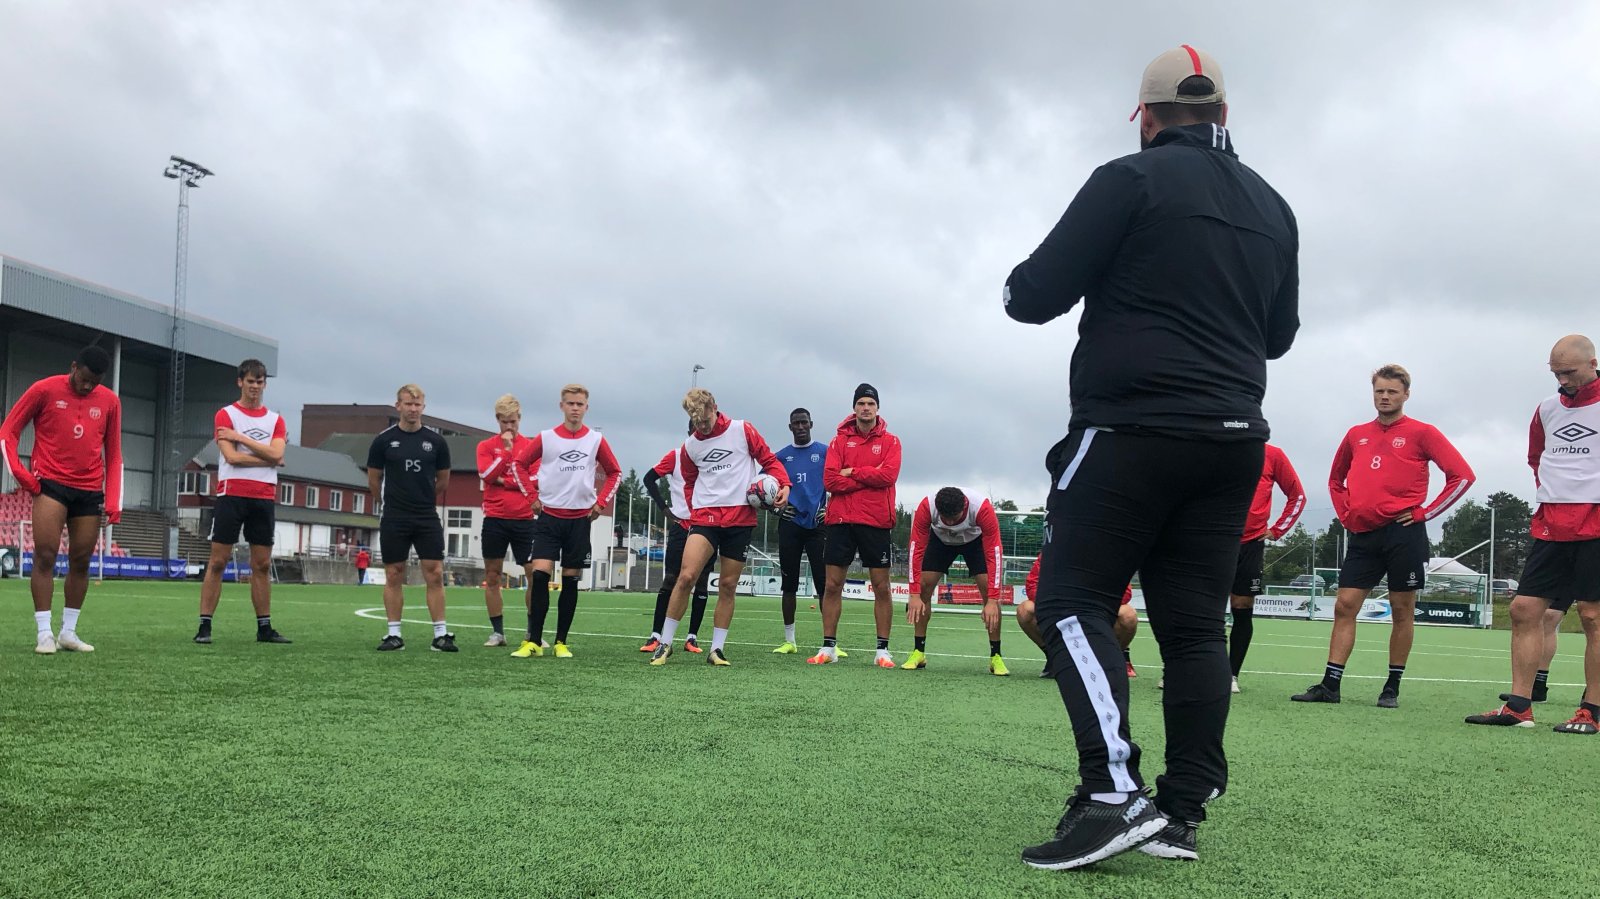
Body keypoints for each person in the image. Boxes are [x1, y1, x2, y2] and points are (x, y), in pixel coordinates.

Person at [1004, 45, 1299, 867]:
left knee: (1068, 600)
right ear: (1224, 115)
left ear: (1146, 119)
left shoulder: (1127, 180)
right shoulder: (1275, 207)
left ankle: (1112, 792)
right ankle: (1180, 811)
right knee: (1196, 628)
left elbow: (1031, 296)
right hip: (1234, 439)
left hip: (1131, 430)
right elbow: (1278, 335)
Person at [1293, 364, 1474, 709]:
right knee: (1345, 605)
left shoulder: (1423, 432)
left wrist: (1425, 512)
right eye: (1379, 391)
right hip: (1363, 534)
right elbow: (1335, 480)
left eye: (1392, 391)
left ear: (1406, 394)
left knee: (1401, 609)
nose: (1385, 397)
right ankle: (1330, 685)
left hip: (1404, 534)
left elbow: (1462, 476)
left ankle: (1391, 687)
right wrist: (1346, 513)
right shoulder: (1356, 434)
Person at [1467, 335, 1600, 734]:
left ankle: (1591, 712)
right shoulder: (1546, 409)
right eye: (1556, 373)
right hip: (1551, 523)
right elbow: (1535, 457)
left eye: (1569, 372)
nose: (1563, 380)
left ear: (1593, 364)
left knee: (1592, 616)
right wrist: (1554, 493)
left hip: (1596, 522)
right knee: (1524, 609)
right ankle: (1519, 707)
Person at [649, 389, 789, 666]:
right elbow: (689, 482)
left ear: (715, 408)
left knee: (727, 585)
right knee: (686, 577)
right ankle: (664, 643)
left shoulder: (742, 430)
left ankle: (716, 649)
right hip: (705, 518)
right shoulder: (691, 446)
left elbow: (769, 461)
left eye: (705, 420)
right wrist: (694, 509)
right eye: (696, 422)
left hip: (740, 519)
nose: (702, 426)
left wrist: (785, 485)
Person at [1, 346, 122, 654]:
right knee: (45, 555)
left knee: (81, 560)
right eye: (84, 379)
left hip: (89, 489)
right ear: (73, 367)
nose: (87, 386)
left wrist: (113, 498)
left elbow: (114, 452)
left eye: (94, 383)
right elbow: (7, 432)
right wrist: (23, 476)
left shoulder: (110, 401)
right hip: (51, 485)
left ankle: (68, 632)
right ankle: (44, 633)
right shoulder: (43, 390)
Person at [509, 385, 620, 659]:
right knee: (540, 574)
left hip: (579, 520)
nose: (575, 408)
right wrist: (532, 497)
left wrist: (600, 503)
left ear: (586, 408)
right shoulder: (547, 438)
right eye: (570, 403)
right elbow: (518, 465)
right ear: (562, 406)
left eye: (579, 404)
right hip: (549, 518)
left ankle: (561, 642)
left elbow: (615, 472)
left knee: (570, 580)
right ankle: (534, 641)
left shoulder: (595, 440)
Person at [195, 358, 291, 645]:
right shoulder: (225, 414)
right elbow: (232, 458)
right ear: (240, 382)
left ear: (265, 385)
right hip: (231, 495)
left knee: (261, 564)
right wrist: (268, 457)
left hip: (263, 497)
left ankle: (264, 628)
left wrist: (240, 438)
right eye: (250, 381)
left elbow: (275, 454)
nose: (255, 387)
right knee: (218, 561)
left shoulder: (275, 420)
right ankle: (204, 626)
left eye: (260, 382)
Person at [808, 384, 901, 667]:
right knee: (832, 585)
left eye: (870, 403)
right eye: (861, 403)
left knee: (881, 586)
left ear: (877, 408)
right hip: (840, 521)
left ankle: (882, 651)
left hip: (875, 521)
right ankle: (829, 647)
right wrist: (867, 477)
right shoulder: (838, 442)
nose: (865, 408)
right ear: (854, 408)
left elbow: (888, 476)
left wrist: (852, 473)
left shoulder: (891, 442)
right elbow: (830, 481)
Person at [366, 384, 454, 652]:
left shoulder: (436, 442)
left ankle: (440, 634)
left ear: (423, 407)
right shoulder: (383, 441)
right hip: (394, 516)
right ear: (398, 406)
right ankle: (394, 634)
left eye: (417, 405)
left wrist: (423, 498)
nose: (413, 409)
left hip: (426, 516)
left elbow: (443, 481)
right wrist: (388, 503)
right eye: (408, 404)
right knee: (394, 573)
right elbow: (374, 479)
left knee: (435, 573)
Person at [903, 487, 1008, 675]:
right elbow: (915, 549)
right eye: (946, 519)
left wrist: (993, 600)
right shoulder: (927, 507)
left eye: (955, 518)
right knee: (923, 586)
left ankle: (996, 656)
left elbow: (995, 554)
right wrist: (914, 594)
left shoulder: (982, 508)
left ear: (964, 506)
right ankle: (918, 652)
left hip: (975, 541)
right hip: (940, 541)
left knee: (988, 589)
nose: (951, 523)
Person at [1226, 444, 1304, 691]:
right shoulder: (1214, 445)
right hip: (1213, 539)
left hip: (1251, 543)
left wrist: (1277, 530)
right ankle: (1182, 670)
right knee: (1203, 607)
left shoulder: (1273, 454)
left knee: (1242, 606)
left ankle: (1230, 675)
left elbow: (1297, 496)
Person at [641, 427, 715, 654]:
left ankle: (692, 638)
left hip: (707, 526)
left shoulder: (715, 457)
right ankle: (656, 635)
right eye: (696, 427)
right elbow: (649, 478)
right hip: (681, 527)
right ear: (690, 431)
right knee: (671, 580)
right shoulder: (675, 456)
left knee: (701, 581)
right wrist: (664, 508)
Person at [476, 394, 539, 647]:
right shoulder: (486, 446)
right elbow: (487, 475)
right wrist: (505, 453)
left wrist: (506, 481)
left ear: (519, 418)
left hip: (525, 519)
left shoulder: (532, 446)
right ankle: (498, 633)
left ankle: (532, 633)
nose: (509, 427)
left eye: (513, 421)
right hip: (495, 519)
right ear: (497, 420)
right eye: (504, 422)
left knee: (534, 574)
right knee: (492, 575)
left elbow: (534, 480)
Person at [1020, 555, 1137, 680]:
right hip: (1062, 605)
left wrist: (1091, 604)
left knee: (1128, 614)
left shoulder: (1108, 552)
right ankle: (1054, 658)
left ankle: (1118, 658)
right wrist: (1060, 603)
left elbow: (1125, 591)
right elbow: (1032, 585)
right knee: (1025, 610)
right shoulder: (1052, 551)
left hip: (1097, 607)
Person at [773, 408, 828, 654]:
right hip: (790, 525)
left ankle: (830, 643)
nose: (801, 427)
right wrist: (776, 509)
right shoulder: (781, 457)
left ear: (811, 424)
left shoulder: (825, 452)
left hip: (818, 525)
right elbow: (760, 488)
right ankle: (790, 641)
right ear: (790, 427)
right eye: (796, 423)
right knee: (789, 585)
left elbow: (840, 482)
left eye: (804, 422)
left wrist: (831, 509)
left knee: (825, 585)